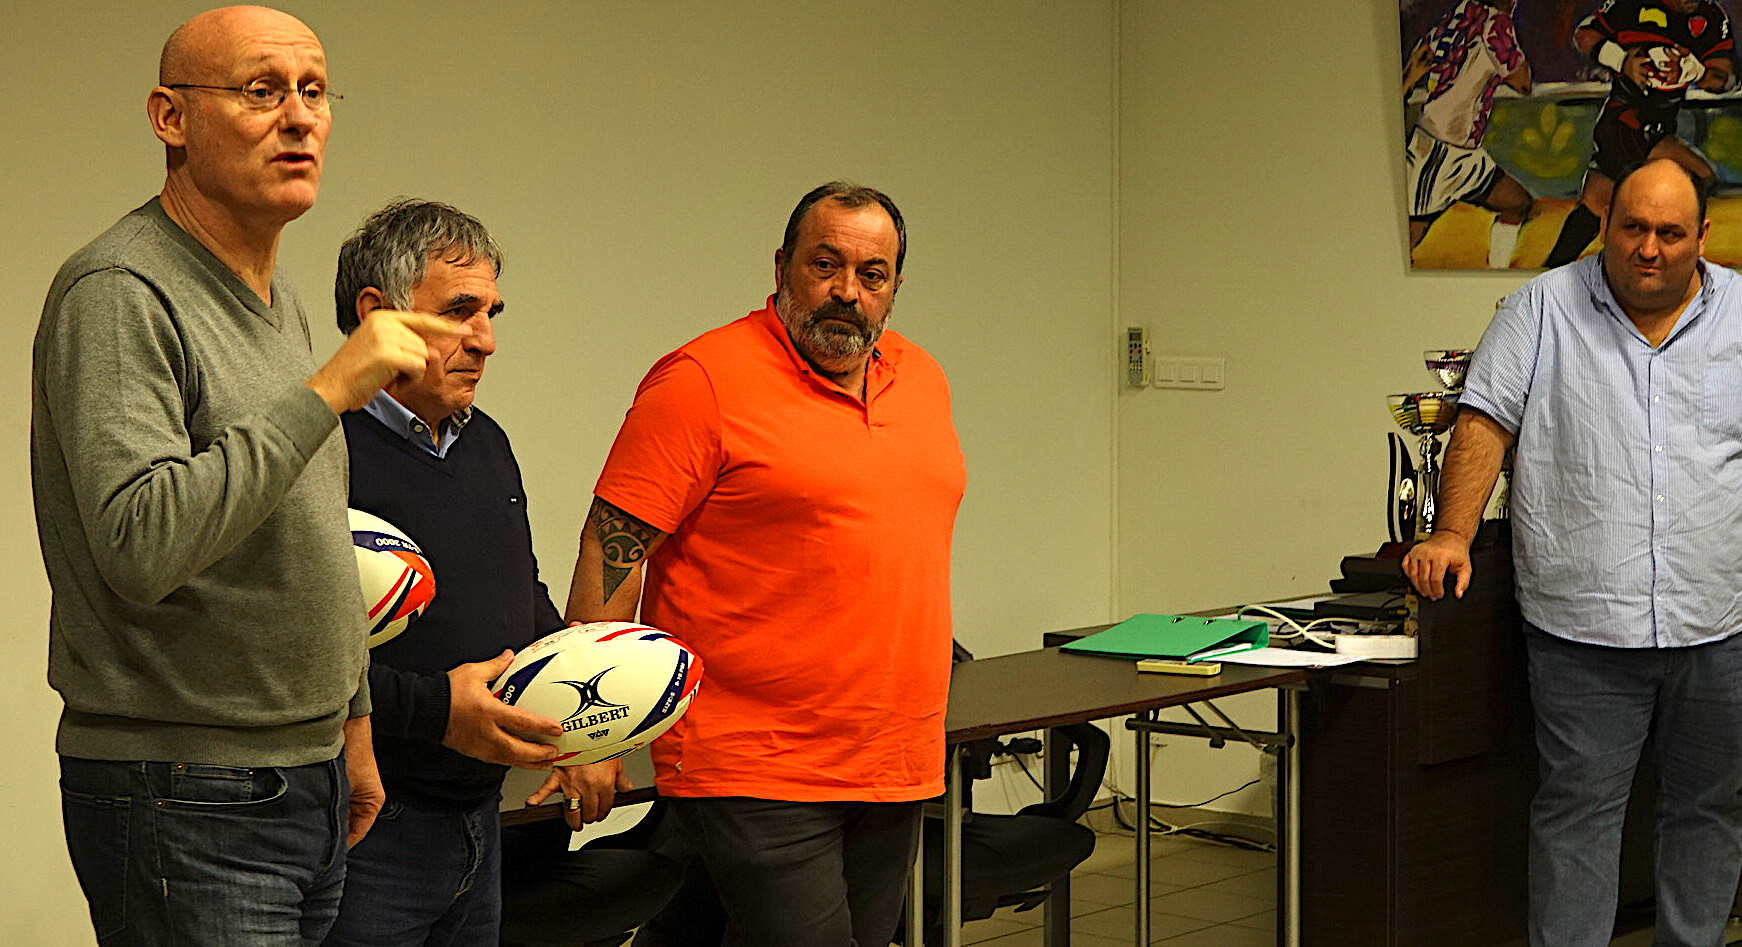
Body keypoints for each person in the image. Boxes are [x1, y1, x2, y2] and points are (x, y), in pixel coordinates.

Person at [31, 7, 461, 944]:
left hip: (304, 774)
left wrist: (350, 722)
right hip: (186, 787)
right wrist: (328, 391)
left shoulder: (279, 296)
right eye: (262, 91)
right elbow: (142, 543)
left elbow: (310, 530)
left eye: (314, 91)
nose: (299, 117)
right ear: (171, 117)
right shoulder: (119, 291)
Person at [568, 182, 967, 947]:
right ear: (782, 266)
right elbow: (612, 547)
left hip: (895, 758)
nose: (847, 291)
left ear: (894, 287)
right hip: (754, 760)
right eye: (825, 264)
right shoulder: (703, 380)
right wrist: (594, 734)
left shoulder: (922, 378)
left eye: (872, 273)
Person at [1404, 158, 1742, 946]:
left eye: (1669, 233)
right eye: (1633, 227)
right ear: (1607, 224)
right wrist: (1452, 532)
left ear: (1702, 236)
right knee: (1578, 813)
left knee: (1710, 807)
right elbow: (1484, 421)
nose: (1648, 248)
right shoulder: (1541, 308)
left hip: (1718, 621)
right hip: (1583, 626)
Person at [321, 199, 629, 944]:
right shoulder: (321, 448)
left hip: (482, 822)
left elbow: (518, 598)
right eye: (460, 312)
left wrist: (587, 729)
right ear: (377, 315)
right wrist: (435, 709)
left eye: (491, 313)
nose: (486, 341)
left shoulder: (485, 441)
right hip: (371, 826)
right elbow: (292, 658)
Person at [1542, 0, 1733, 267]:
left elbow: (1724, 77)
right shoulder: (1631, 5)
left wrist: (1696, 71)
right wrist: (1620, 60)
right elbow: (1584, 35)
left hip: (1659, 127)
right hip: (1623, 122)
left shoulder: (1711, 17)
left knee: (1596, 203)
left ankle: (1556, 269)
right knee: (1695, 177)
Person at [1402, 0, 1537, 267]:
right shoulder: (1497, 24)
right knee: (1409, 234)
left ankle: (1498, 273)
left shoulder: (1460, 12)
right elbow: (1523, 84)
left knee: (1517, 203)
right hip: (1438, 150)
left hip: (1461, 149)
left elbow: (1421, 58)